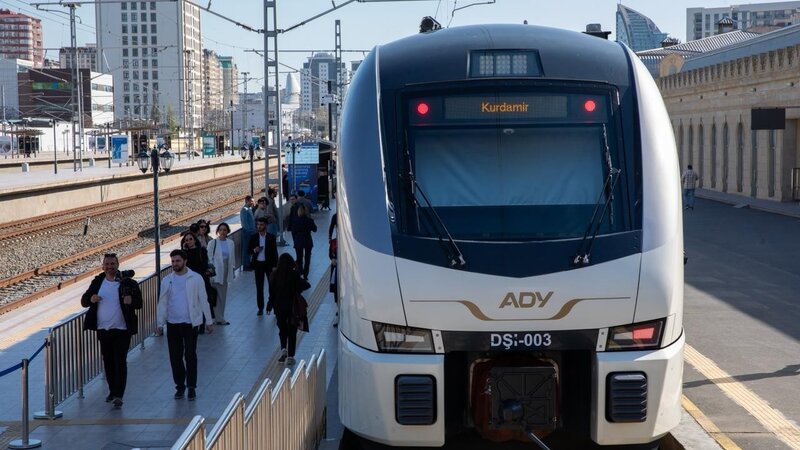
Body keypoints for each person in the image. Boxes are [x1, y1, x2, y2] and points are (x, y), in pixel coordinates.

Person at [81, 253, 143, 409]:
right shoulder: (97, 282)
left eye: (112, 264)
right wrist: (92, 299)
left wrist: (131, 301)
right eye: (107, 264)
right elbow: (84, 301)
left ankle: (119, 395)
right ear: (103, 266)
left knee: (120, 361)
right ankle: (112, 390)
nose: (110, 267)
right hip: (104, 329)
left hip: (122, 329)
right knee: (108, 362)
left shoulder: (127, 282)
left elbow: (139, 303)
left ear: (118, 265)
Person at [156, 250, 214, 401]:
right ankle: (180, 386)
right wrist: (160, 324)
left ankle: (192, 387)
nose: (175, 264)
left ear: (185, 261)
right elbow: (162, 303)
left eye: (178, 261)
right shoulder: (167, 280)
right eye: (173, 261)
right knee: (175, 357)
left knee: (190, 356)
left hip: (190, 324)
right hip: (173, 324)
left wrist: (209, 321)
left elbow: (203, 300)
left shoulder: (195, 278)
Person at [267, 253, 310, 365]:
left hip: (278, 307)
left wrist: (269, 305)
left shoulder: (274, 274)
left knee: (282, 330)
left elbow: (271, 293)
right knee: (292, 330)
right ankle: (290, 356)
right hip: (292, 307)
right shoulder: (294, 274)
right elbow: (306, 285)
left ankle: (283, 350)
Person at [182, 232, 215, 329]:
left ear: (195, 240)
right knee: (192, 301)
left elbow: (204, 265)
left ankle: (202, 324)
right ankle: (195, 323)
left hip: (201, 279)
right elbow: (184, 266)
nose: (189, 241)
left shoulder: (202, 251)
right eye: (186, 240)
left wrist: (198, 275)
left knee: (202, 301)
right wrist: (184, 250)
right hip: (189, 280)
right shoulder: (185, 253)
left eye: (190, 239)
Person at [206, 222, 236, 325]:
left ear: (227, 231)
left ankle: (220, 316)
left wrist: (232, 270)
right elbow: (209, 258)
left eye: (225, 230)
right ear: (218, 231)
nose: (223, 232)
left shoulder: (230, 243)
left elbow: (232, 258)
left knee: (223, 295)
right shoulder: (212, 243)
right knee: (216, 295)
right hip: (216, 271)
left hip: (226, 271)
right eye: (221, 230)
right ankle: (218, 318)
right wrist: (210, 271)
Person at [249, 216, 278, 315]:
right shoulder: (254, 237)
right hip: (258, 264)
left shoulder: (271, 237)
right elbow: (248, 250)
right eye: (258, 224)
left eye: (261, 224)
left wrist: (275, 266)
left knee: (272, 286)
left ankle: (272, 306)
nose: (259, 226)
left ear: (266, 225)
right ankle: (260, 307)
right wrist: (254, 250)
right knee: (259, 287)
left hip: (268, 264)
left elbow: (275, 252)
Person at [290, 204, 317, 281]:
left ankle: (300, 272)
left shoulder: (295, 221)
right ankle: (305, 275)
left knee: (299, 258)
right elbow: (315, 229)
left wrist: (295, 239)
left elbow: (293, 232)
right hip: (308, 241)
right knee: (307, 258)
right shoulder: (309, 220)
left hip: (298, 241)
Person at [240, 196, 256, 271]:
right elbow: (244, 222)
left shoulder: (249, 209)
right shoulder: (244, 210)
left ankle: (248, 264)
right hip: (247, 233)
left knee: (249, 249)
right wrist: (250, 230)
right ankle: (246, 266)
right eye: (251, 201)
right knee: (246, 249)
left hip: (251, 232)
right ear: (247, 201)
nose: (253, 203)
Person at [329, 213, 338, 327]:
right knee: (335, 288)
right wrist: (332, 259)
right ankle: (338, 308)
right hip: (335, 269)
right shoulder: (334, 242)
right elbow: (330, 253)